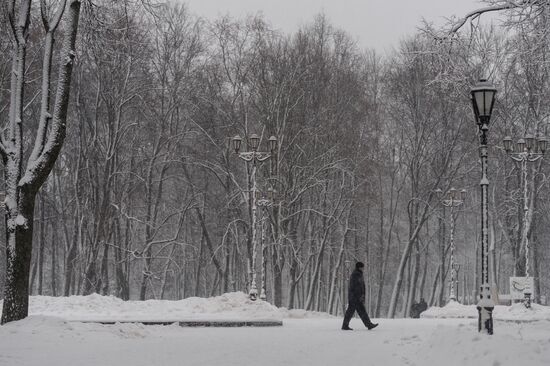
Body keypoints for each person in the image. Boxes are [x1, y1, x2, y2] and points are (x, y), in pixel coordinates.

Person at [342, 262, 378, 331]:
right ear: (359, 267)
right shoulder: (356, 274)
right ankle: (368, 324)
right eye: (362, 267)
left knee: (357, 311)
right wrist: (360, 296)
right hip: (355, 297)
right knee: (354, 311)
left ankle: (368, 324)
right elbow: (357, 286)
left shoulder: (358, 274)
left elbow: (360, 286)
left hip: (355, 296)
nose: (363, 269)